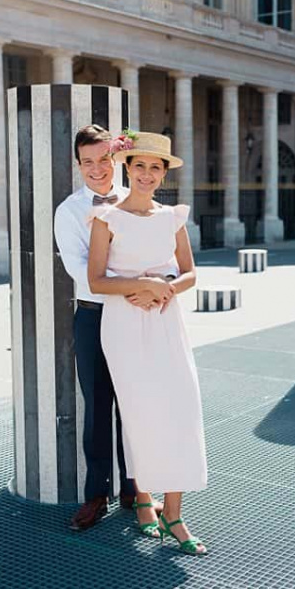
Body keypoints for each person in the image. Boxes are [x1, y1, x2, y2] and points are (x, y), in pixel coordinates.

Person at [87, 130, 208, 556]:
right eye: (140, 165)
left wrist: (163, 289)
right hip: (123, 325)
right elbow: (96, 280)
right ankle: (143, 500)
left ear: (163, 174)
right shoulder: (106, 218)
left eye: (155, 167)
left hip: (165, 320)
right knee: (138, 414)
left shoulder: (172, 217)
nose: (147, 174)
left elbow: (191, 273)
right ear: (127, 167)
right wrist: (138, 285)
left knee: (180, 407)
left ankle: (174, 511)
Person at [54, 124, 162, 532]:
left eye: (103, 159)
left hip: (138, 315)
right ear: (77, 165)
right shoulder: (68, 211)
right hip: (94, 315)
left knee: (136, 404)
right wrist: (136, 285)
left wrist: (151, 288)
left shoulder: (140, 199)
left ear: (115, 159)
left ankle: (137, 490)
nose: (97, 169)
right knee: (98, 407)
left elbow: (160, 252)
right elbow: (79, 272)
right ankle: (97, 494)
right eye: (88, 162)